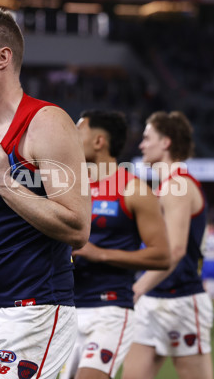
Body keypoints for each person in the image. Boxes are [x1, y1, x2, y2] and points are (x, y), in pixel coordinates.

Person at [0, 8, 91, 379]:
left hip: (35, 310)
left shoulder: (47, 122)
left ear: (3, 57)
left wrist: (5, 184)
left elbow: (78, 229)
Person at [59, 110, 170, 379]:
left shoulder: (134, 190)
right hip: (64, 308)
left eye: (78, 131)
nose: (68, 138)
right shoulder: (66, 187)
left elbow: (162, 256)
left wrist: (101, 255)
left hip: (109, 309)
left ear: (99, 141)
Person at [122, 111, 214, 379]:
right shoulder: (166, 186)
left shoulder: (178, 186)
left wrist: (137, 287)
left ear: (166, 142)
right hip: (154, 298)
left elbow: (175, 251)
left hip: (181, 300)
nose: (141, 145)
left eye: (147, 137)